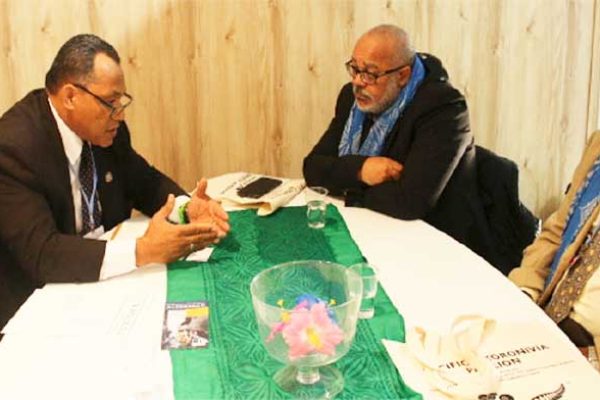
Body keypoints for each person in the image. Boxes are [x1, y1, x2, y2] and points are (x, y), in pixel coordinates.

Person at [0, 34, 230, 330]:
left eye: (121, 101)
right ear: (70, 97)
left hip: (104, 283)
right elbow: (42, 254)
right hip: (36, 305)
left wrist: (187, 209)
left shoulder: (106, 129)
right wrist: (143, 250)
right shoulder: (13, 147)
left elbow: (144, 182)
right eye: (110, 102)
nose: (119, 114)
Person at [303, 24, 490, 259]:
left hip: (436, 245)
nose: (358, 82)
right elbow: (313, 168)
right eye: (355, 69)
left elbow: (410, 202)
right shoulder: (351, 99)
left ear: (402, 76)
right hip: (373, 229)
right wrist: (362, 170)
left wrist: (347, 185)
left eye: (370, 74)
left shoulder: (444, 109)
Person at [509, 131, 600, 370]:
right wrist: (525, 292)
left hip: (590, 349)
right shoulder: (598, 147)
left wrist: (590, 357)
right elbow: (556, 232)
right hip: (547, 316)